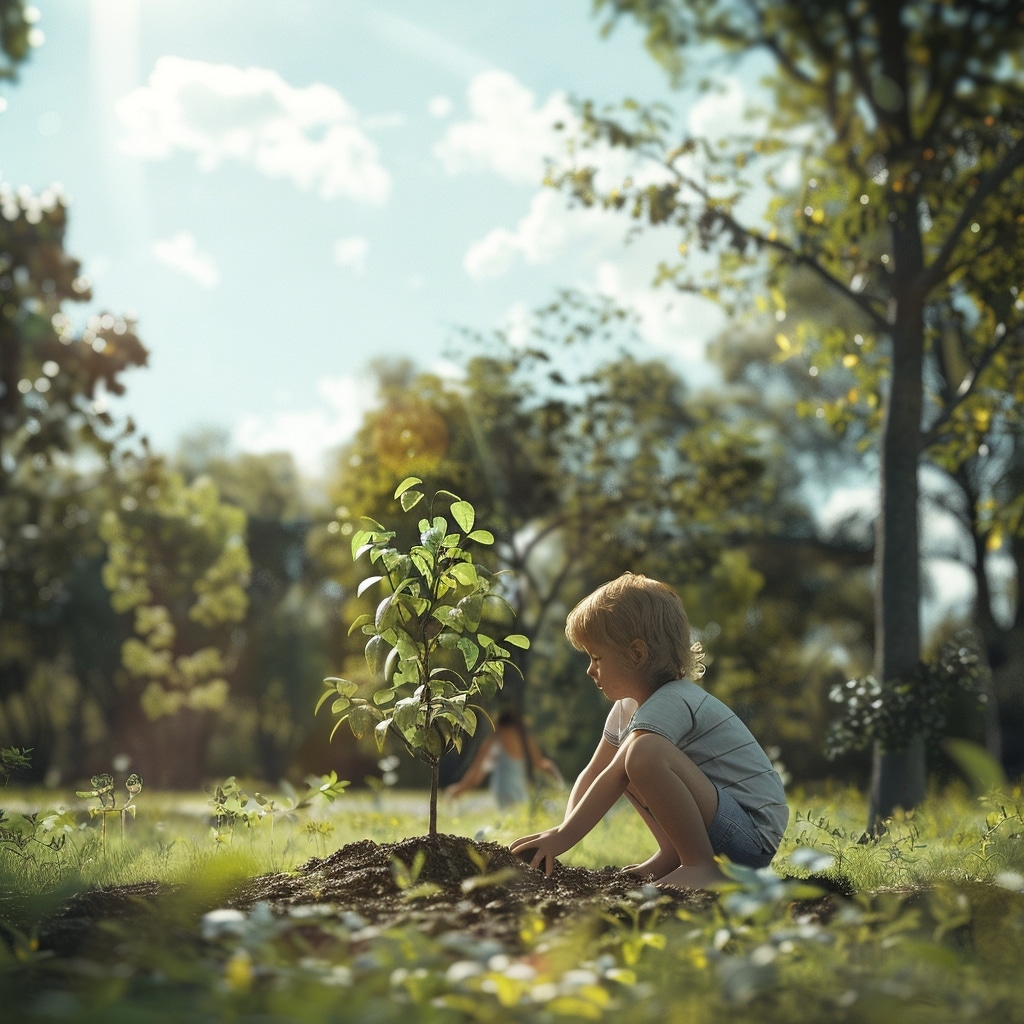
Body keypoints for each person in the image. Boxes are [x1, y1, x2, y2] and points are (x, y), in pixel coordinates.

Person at [510, 572, 789, 889]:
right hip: (720, 824)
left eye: (597, 658)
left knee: (641, 753)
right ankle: (675, 854)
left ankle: (699, 865)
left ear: (637, 654)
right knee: (633, 756)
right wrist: (562, 832)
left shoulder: (674, 699)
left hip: (749, 836)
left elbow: (616, 772)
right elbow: (595, 773)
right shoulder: (627, 709)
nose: (590, 670)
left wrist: (563, 837)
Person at [447, 708, 562, 809]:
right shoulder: (524, 737)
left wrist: (458, 790)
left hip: (503, 791)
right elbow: (540, 763)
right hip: (520, 790)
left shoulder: (495, 738)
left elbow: (477, 772)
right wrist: (558, 778)